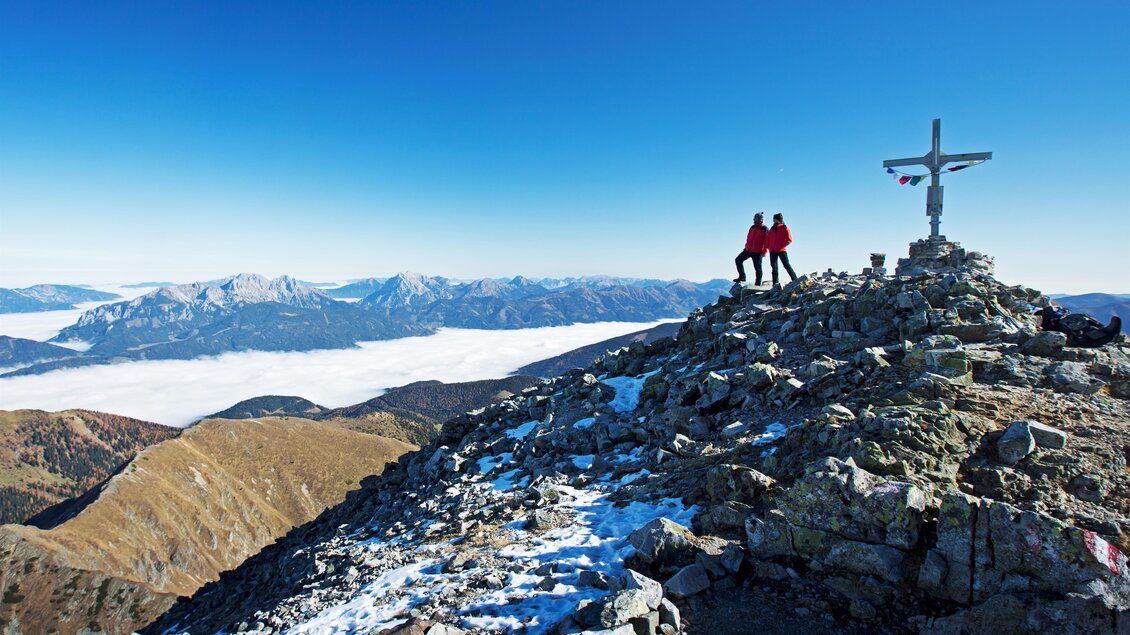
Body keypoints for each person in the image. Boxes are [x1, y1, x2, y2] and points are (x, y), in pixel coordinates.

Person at [733, 212, 769, 284]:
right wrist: (746, 247)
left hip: (758, 252)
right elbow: (748, 238)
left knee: (758, 269)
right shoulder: (752, 227)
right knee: (738, 260)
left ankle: (757, 285)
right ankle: (742, 276)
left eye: (755, 219)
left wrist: (764, 252)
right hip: (748, 250)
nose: (753, 220)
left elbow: (767, 242)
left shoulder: (765, 229)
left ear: (760, 219)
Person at [767, 212, 798, 286]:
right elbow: (768, 239)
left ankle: (795, 280)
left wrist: (781, 246)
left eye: (774, 219)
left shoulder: (784, 227)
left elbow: (789, 239)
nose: (773, 220)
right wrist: (769, 247)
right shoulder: (772, 228)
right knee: (774, 268)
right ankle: (775, 285)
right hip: (772, 251)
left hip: (781, 250)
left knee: (786, 265)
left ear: (777, 219)